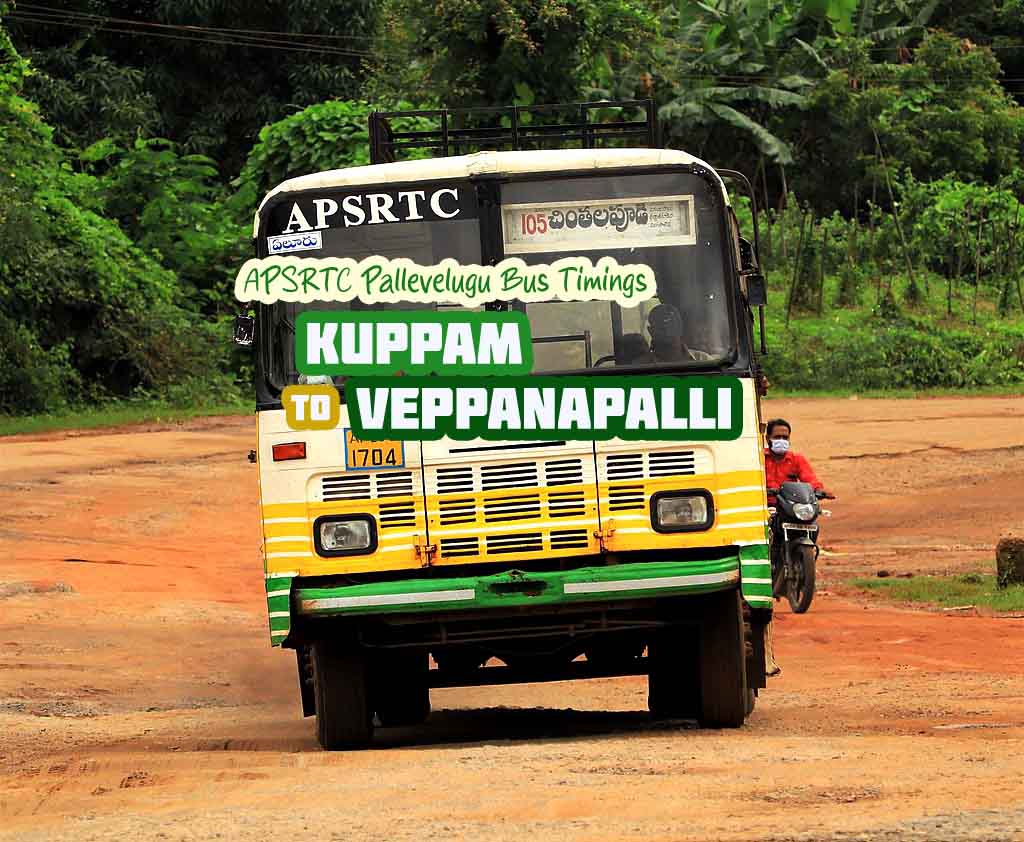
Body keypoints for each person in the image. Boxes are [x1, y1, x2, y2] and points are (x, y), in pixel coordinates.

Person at [764, 418, 834, 501]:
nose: (781, 440)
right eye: (777, 437)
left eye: (785, 437)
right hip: (763, 505)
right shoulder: (759, 459)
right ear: (768, 438)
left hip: (790, 505)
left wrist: (819, 490)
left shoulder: (796, 459)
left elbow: (810, 479)